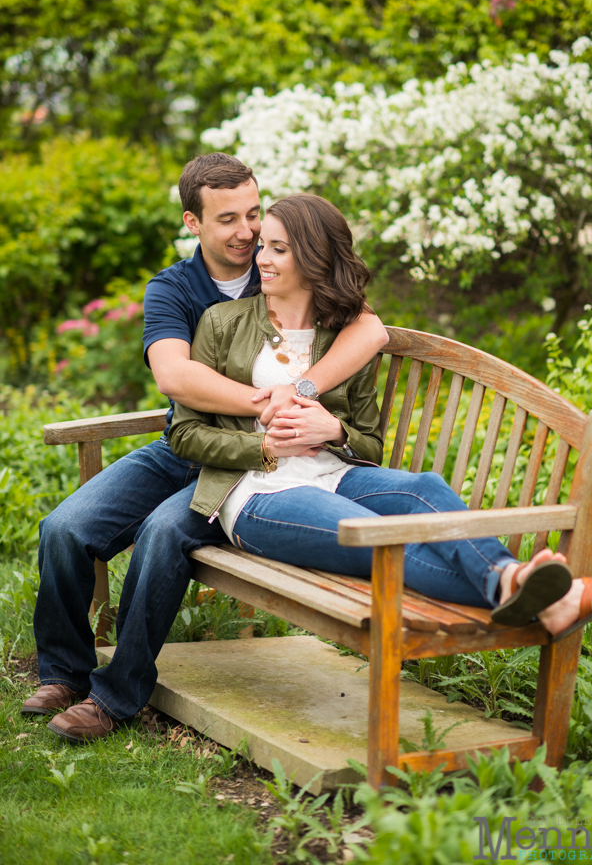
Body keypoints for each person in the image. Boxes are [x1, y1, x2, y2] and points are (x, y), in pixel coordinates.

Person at [167, 193, 592, 642]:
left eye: (278, 249)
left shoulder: (342, 337)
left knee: (425, 488)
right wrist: (267, 448)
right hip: (257, 495)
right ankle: (539, 589)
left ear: (314, 259)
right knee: (379, 538)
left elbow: (370, 447)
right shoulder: (222, 323)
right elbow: (185, 435)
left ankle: (517, 583)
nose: (261, 258)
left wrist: (335, 431)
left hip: (333, 477)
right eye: (264, 247)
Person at [22, 155, 389, 743]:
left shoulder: (282, 262)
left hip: (258, 467)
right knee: (64, 528)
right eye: (228, 220)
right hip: (186, 448)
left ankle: (117, 697)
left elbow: (370, 330)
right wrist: (266, 401)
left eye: (253, 214)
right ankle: (65, 673)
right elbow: (175, 377)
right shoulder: (174, 288)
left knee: (165, 534)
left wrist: (299, 394)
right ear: (193, 222)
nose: (248, 233)